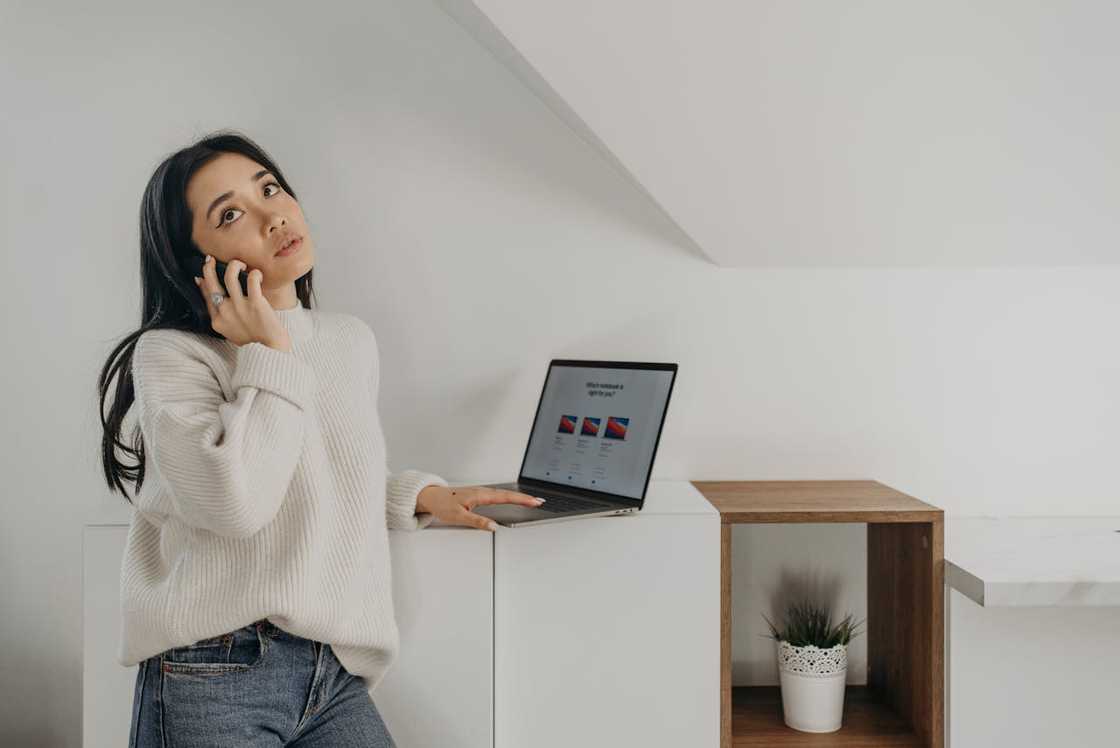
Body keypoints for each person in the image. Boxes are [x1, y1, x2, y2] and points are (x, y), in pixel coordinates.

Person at [96, 130, 543, 747]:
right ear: (195, 260)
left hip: (330, 669)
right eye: (231, 214)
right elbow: (235, 503)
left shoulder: (347, 340)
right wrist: (269, 349)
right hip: (212, 668)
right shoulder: (173, 355)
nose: (272, 215)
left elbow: (313, 469)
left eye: (270, 188)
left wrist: (417, 497)